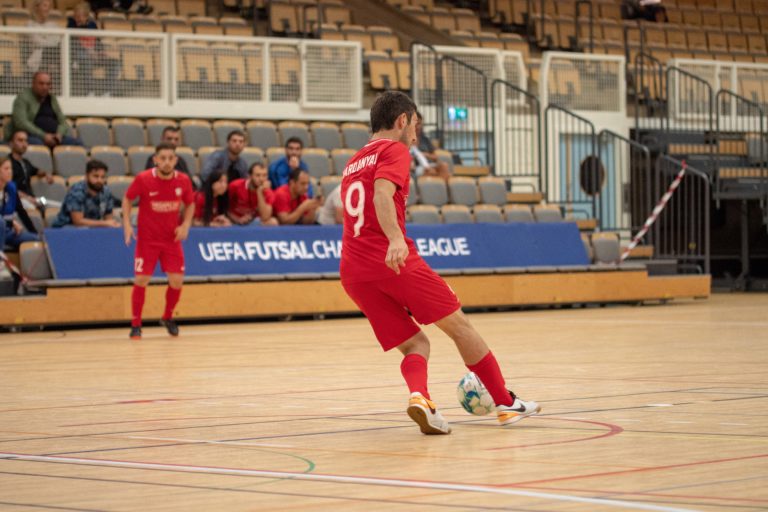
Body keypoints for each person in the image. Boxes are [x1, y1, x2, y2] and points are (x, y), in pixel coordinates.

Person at [339, 91, 540, 435]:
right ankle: (505, 403)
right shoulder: (395, 150)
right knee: (460, 327)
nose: (416, 134)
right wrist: (396, 239)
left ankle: (422, 400)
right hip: (391, 260)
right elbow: (382, 194)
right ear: (402, 121)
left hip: (354, 271)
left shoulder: (354, 161)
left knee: (416, 344)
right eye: (415, 124)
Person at [122, 142, 195, 340]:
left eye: (170, 158)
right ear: (155, 160)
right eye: (162, 158)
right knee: (142, 280)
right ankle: (136, 324)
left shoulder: (183, 180)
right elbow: (128, 199)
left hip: (171, 240)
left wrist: (186, 225)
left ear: (176, 160)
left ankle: (167, 317)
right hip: (148, 240)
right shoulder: (144, 179)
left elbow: (190, 204)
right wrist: (127, 224)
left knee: (177, 281)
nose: (166, 162)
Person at [5, 72, 83, 148]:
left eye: (48, 84)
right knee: (38, 145)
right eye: (41, 83)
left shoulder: (52, 99)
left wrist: (59, 134)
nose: (45, 87)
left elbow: (63, 122)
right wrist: (44, 136)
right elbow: (21, 123)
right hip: (30, 136)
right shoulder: (23, 98)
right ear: (33, 84)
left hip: (54, 137)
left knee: (78, 143)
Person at [67, 2, 119, 97]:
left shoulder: (92, 25)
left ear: (86, 16)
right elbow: (72, 42)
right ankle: (90, 92)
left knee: (114, 63)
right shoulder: (71, 23)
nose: (77, 18)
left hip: (94, 55)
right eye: (76, 16)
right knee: (86, 59)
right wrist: (89, 52)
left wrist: (101, 51)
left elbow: (98, 41)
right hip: (80, 57)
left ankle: (107, 93)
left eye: (80, 16)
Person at [52, 160, 119, 228]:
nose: (99, 180)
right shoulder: (77, 191)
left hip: (91, 228)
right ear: (87, 176)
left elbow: (109, 219)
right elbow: (78, 221)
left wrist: (112, 224)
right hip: (66, 228)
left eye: (102, 177)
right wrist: (104, 223)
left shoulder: (106, 192)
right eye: (96, 176)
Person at [8, 130, 54, 210]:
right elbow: (7, 187)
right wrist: (28, 198)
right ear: (11, 143)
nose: (24, 144)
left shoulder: (25, 162)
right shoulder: (6, 164)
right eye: (20, 140)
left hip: (32, 198)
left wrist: (46, 174)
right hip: (17, 199)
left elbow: (37, 171)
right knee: (31, 208)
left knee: (57, 206)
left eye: (26, 141)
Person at [0, 157, 39, 250]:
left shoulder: (11, 188)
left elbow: (21, 212)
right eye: (6, 169)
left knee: (35, 239)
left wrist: (34, 232)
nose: (10, 172)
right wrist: (12, 222)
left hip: (8, 231)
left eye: (11, 169)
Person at [412, 112, 450, 181]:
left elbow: (435, 157)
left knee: (444, 166)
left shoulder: (425, 140)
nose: (418, 127)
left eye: (419, 124)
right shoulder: (407, 140)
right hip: (418, 168)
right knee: (430, 171)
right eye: (416, 124)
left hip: (430, 165)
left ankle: (446, 190)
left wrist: (425, 155)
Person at [26, 0, 60, 75]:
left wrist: (44, 40)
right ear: (37, 7)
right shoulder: (30, 25)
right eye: (45, 6)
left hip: (54, 60)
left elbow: (57, 41)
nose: (47, 9)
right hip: (37, 60)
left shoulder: (54, 25)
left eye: (49, 6)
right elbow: (37, 42)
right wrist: (49, 39)